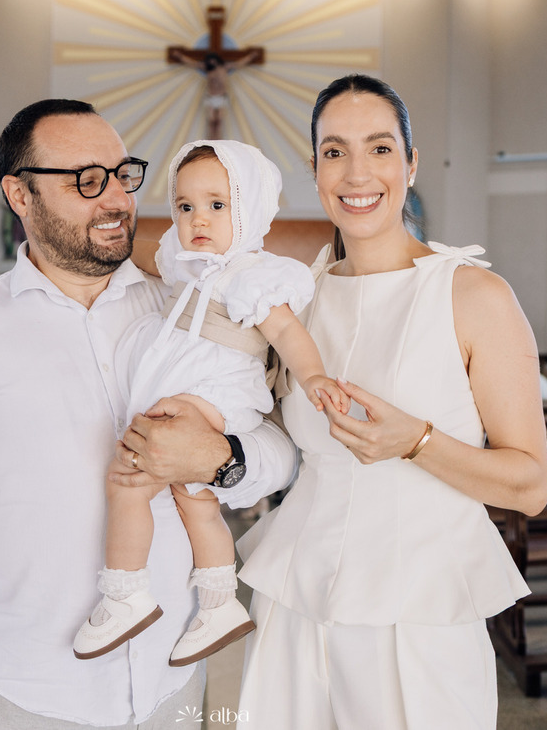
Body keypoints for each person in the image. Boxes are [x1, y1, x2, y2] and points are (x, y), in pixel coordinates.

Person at [0, 99, 297, 730]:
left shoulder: (185, 308)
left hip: (168, 683)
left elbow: (282, 450)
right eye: (87, 180)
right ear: (20, 194)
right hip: (24, 690)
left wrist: (224, 460)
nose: (117, 198)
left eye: (123, 175)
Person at [235, 74, 547, 728]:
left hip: (419, 609)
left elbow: (530, 485)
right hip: (296, 596)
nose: (357, 172)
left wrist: (417, 442)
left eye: (380, 148)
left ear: (409, 163)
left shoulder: (473, 295)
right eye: (334, 151)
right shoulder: (299, 297)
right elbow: (270, 438)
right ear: (315, 167)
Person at [72, 140, 348, 667]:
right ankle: (219, 604)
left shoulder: (253, 273)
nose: (199, 219)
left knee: (129, 476)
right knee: (192, 496)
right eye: (185, 205)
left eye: (218, 205)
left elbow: (287, 332)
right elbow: (153, 258)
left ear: (250, 209)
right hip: (192, 389)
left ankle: (125, 591)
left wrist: (313, 377)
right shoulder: (186, 265)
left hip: (216, 391)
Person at [172, 50, 259, 140]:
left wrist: (251, 56)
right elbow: (193, 64)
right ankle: (211, 141)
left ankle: (218, 140)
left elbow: (239, 64)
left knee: (219, 120)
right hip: (210, 97)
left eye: (213, 60)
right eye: (209, 60)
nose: (211, 62)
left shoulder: (225, 67)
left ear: (217, 59)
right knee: (211, 120)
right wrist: (180, 56)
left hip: (222, 97)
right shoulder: (207, 68)